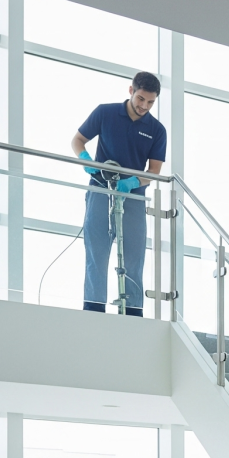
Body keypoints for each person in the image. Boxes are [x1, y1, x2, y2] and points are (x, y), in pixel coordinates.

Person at [70, 71, 166, 317]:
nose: (144, 106)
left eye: (151, 102)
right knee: (96, 251)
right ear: (131, 90)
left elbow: (154, 171)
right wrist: (86, 160)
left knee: (134, 255)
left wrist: (133, 182)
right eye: (141, 99)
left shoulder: (157, 130)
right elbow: (78, 140)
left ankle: (132, 312)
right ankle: (93, 309)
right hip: (100, 189)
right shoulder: (105, 112)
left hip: (133, 196)